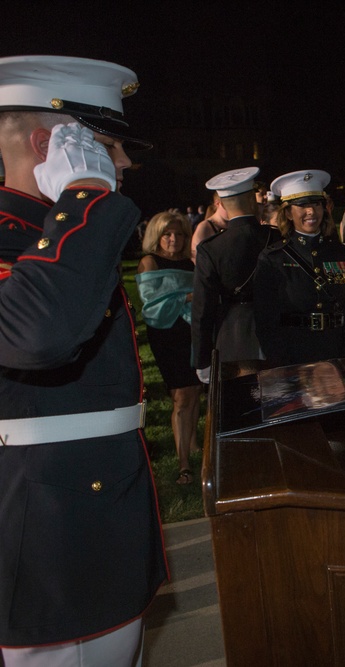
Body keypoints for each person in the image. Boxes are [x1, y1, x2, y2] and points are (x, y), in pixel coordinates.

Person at [0, 54, 167, 666]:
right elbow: (38, 333)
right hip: (43, 529)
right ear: (51, 144)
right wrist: (87, 192)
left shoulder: (51, 234)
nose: (122, 164)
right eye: (106, 148)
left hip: (91, 506)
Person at [255, 170, 345, 365]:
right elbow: (266, 319)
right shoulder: (273, 258)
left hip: (337, 350)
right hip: (294, 353)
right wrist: (281, 362)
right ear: (288, 212)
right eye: (302, 205)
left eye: (316, 204)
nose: (311, 212)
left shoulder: (340, 254)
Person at [191, 167, 278, 381]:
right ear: (251, 199)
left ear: (222, 204)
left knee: (240, 405)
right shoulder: (275, 237)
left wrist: (202, 359)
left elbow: (202, 309)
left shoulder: (211, 248)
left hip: (234, 336)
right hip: (278, 330)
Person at [135, 210, 201, 485]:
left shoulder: (190, 263)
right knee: (182, 397)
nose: (173, 239)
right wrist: (187, 296)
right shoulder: (150, 262)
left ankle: (194, 445)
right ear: (157, 236)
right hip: (167, 335)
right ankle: (183, 464)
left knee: (195, 392)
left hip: (193, 334)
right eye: (167, 234)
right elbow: (151, 306)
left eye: (179, 234)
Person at [190, 190, 229, 263]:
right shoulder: (204, 227)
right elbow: (197, 259)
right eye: (229, 206)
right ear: (217, 203)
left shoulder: (232, 223)